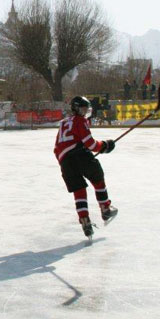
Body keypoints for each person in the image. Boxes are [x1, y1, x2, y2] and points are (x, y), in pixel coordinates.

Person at [54, 96, 118, 238]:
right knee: (98, 179)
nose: (85, 112)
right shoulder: (80, 120)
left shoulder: (64, 123)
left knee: (79, 191)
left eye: (86, 109)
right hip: (80, 155)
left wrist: (67, 163)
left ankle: (85, 221)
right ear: (76, 108)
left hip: (65, 162)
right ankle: (105, 208)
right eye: (83, 108)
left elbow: (57, 149)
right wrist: (105, 145)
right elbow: (90, 144)